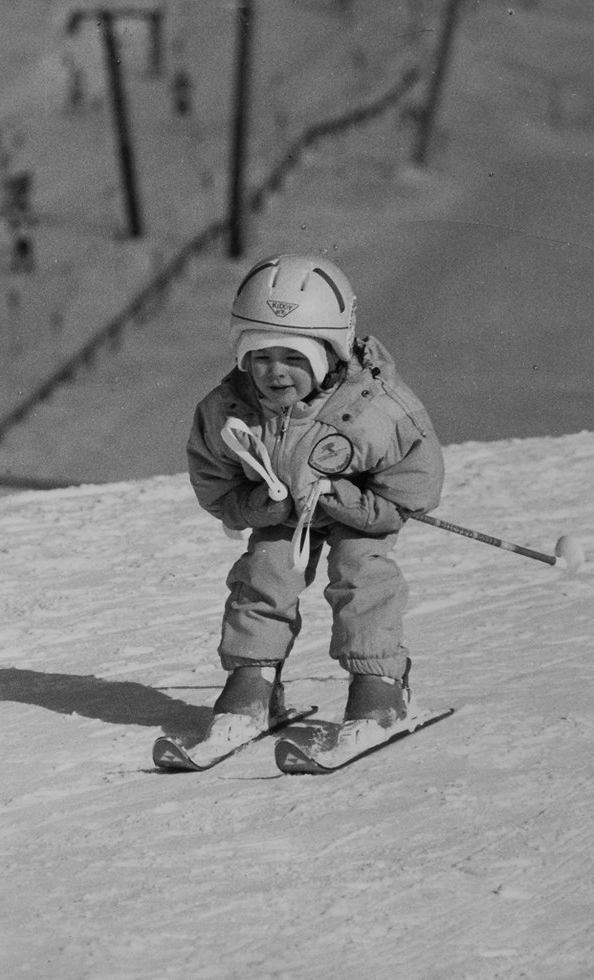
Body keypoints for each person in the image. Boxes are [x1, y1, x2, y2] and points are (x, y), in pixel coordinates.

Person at [186, 253, 444, 749]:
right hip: (284, 514)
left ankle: (379, 685)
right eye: (260, 356)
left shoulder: (376, 409)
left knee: (360, 571)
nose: (276, 373)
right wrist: (260, 505)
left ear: (329, 355)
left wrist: (350, 501)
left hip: (356, 515)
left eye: (295, 358)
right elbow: (215, 483)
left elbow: (414, 484)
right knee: (265, 571)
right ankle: (253, 681)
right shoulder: (229, 410)